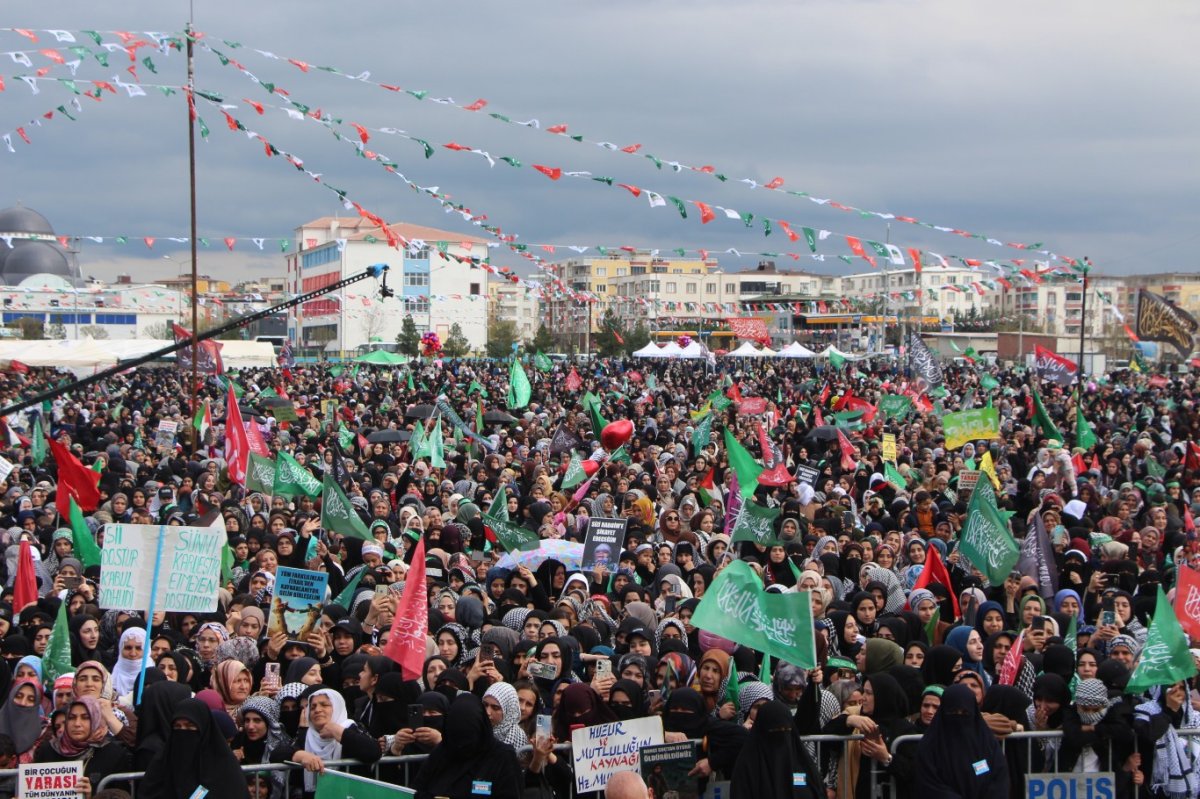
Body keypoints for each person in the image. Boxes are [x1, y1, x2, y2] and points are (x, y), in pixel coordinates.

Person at [412, 693, 522, 799]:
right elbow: (418, 790)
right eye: (456, 734)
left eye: (468, 734)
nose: (461, 744)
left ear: (481, 728)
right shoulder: (441, 753)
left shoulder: (502, 757)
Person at [140, 698, 250, 799]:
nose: (183, 732)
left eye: (190, 726)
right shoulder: (163, 761)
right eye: (177, 727)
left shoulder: (225, 765)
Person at [915, 684, 1009, 798]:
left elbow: (999, 779)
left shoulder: (987, 743)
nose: (959, 718)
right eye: (953, 713)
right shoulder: (930, 745)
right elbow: (930, 785)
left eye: (965, 713)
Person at [34, 697, 132, 792]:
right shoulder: (48, 750)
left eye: (85, 718)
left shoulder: (114, 755)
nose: (77, 724)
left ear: (96, 719)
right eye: (72, 718)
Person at [730, 699, 822, 798]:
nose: (781, 737)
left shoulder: (801, 766)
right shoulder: (748, 768)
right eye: (775, 731)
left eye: (786, 730)